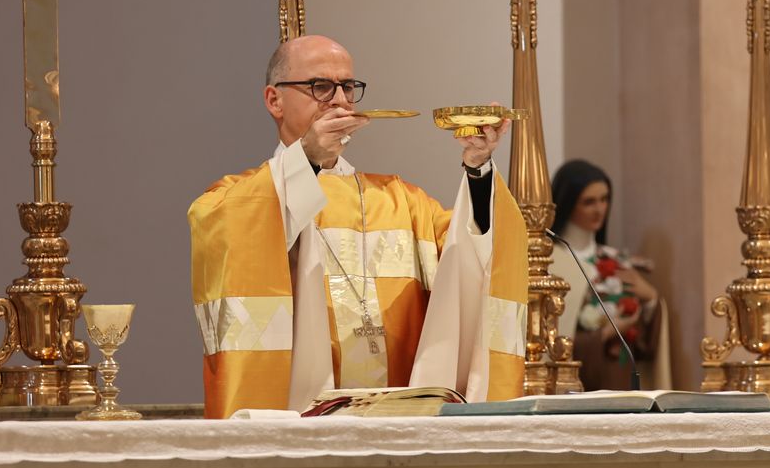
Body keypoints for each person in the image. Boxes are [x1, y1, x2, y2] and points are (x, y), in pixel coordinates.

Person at [188, 35, 528, 418]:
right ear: (274, 101)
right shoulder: (235, 200)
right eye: (320, 87)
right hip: (299, 426)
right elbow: (240, 235)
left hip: (400, 426)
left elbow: (473, 264)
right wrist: (308, 158)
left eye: (348, 87)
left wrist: (478, 170)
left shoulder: (401, 201)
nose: (339, 100)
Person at [550, 160, 668, 392]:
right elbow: (548, 341)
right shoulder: (552, 262)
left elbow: (644, 345)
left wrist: (652, 299)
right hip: (577, 384)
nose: (599, 209)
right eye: (589, 202)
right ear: (567, 203)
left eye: (604, 199)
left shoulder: (613, 261)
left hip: (620, 378)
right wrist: (604, 333)